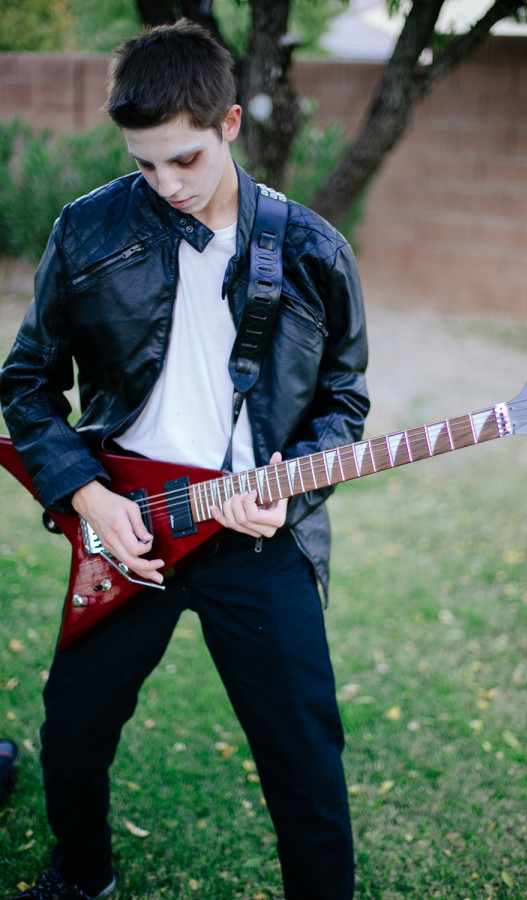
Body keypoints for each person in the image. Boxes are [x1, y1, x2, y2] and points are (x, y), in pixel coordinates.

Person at [0, 20, 369, 900]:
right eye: (145, 164)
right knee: (73, 730)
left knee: (304, 757)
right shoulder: (87, 231)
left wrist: (288, 492)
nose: (166, 184)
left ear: (230, 123)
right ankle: (83, 875)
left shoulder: (313, 250)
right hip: (129, 523)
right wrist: (88, 496)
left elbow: (344, 404)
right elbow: (26, 384)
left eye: (185, 160)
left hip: (258, 540)